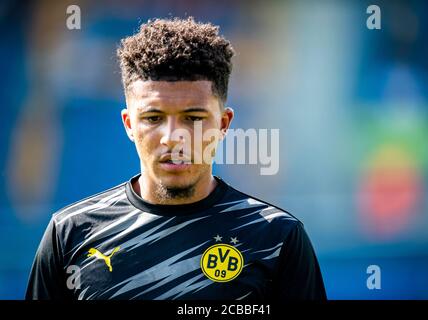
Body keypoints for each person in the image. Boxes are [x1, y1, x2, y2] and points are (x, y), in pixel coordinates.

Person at [26, 17, 326, 300]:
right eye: (153, 118)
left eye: (193, 118)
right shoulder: (69, 234)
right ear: (129, 124)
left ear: (223, 124)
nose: (173, 137)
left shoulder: (277, 238)